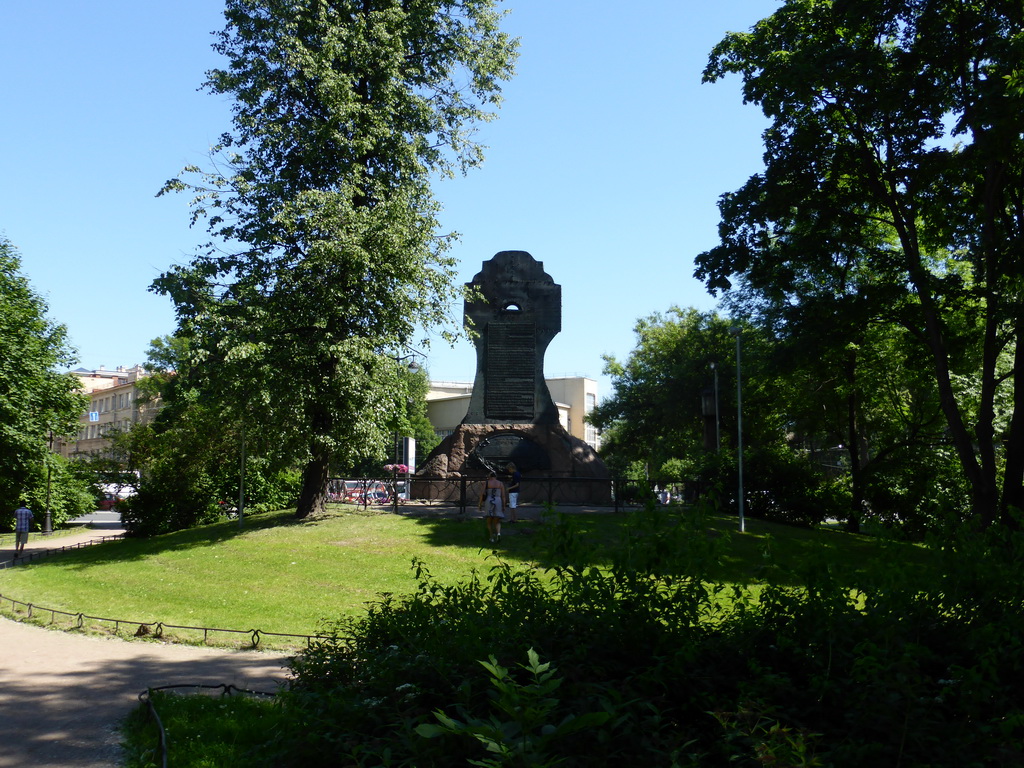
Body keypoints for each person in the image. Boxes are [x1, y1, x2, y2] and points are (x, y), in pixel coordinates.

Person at [479, 471, 508, 544]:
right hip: (498, 501)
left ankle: (491, 537)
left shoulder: (487, 483)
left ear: (489, 476)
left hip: (489, 500)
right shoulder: (500, 483)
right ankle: (498, 533)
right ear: (496, 476)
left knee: (489, 520)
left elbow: (482, 494)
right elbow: (503, 496)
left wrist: (479, 504)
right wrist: (504, 505)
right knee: (497, 520)